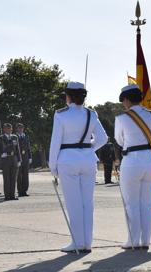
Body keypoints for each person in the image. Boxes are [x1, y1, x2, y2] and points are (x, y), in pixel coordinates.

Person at [49, 82, 107, 253]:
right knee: (87, 203)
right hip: (88, 161)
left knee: (74, 203)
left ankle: (77, 242)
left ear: (69, 96)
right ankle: (87, 243)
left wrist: (53, 167)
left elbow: (55, 142)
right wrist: (87, 149)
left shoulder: (61, 115)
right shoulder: (91, 114)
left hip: (67, 161)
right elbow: (103, 138)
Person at [115, 84, 151, 250]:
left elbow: (120, 141)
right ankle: (146, 241)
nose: (123, 104)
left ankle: (133, 241)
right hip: (150, 162)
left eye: (123, 101)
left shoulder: (122, 118)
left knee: (131, 203)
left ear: (127, 99)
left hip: (132, 162)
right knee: (146, 203)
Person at [0, 123, 21, 200]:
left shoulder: (15, 137)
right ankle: (7, 196)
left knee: (13, 179)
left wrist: (19, 160)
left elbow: (17, 149)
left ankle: (12, 195)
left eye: (10, 128)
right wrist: (2, 154)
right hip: (6, 160)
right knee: (7, 179)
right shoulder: (1, 138)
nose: (9, 130)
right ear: (4, 129)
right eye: (7, 128)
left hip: (14, 159)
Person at [16, 123, 32, 196]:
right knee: (19, 176)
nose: (20, 129)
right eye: (19, 128)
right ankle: (20, 191)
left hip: (25, 158)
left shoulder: (26, 136)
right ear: (16, 129)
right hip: (18, 158)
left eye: (21, 128)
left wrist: (30, 157)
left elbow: (28, 148)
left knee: (25, 175)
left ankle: (25, 190)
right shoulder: (14, 137)